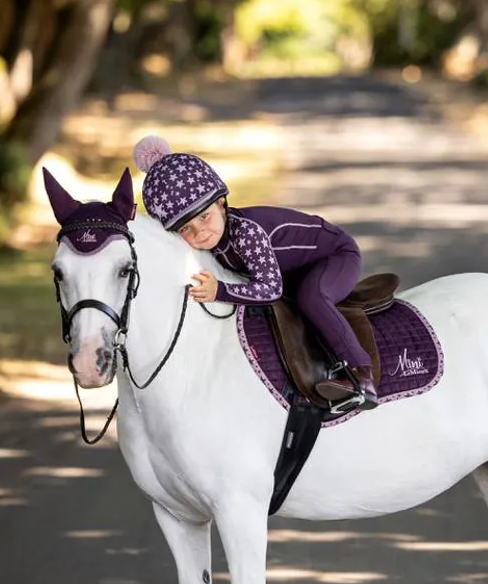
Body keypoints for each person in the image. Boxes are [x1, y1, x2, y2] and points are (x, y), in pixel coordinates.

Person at [133, 135, 378, 410]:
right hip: (295, 268)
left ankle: (360, 376)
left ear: (222, 204)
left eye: (204, 217)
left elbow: (269, 288)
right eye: (184, 228)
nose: (199, 232)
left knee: (311, 297)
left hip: (335, 255)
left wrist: (220, 291)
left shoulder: (246, 233)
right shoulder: (213, 239)